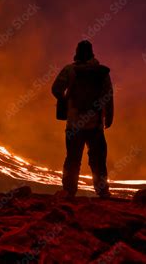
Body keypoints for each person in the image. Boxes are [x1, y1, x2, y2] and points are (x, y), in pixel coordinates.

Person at [51, 40, 114, 198]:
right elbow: (108, 96)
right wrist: (109, 117)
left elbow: (55, 89)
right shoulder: (101, 72)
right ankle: (102, 192)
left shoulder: (70, 70)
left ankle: (68, 191)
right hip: (95, 124)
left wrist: (65, 100)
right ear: (92, 53)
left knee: (72, 159)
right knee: (98, 160)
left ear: (77, 52)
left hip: (74, 123)